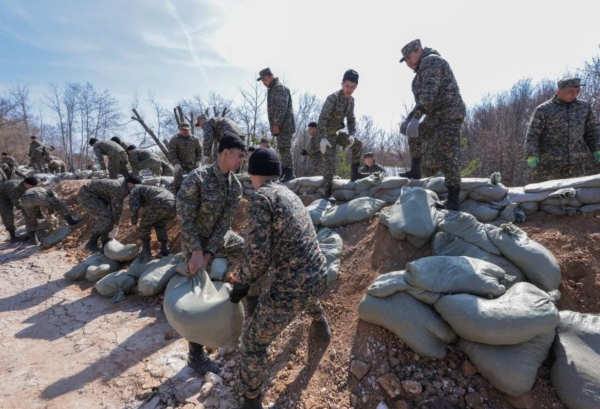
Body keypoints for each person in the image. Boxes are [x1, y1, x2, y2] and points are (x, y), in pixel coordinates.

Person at [229, 148, 331, 409]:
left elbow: (258, 257)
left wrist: (240, 281)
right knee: (305, 290)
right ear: (277, 172)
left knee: (252, 344)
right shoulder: (289, 193)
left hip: (292, 290)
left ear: (252, 174)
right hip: (319, 275)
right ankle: (320, 324)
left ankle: (251, 400)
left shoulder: (262, 198)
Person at [176, 132, 247, 377]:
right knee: (197, 291)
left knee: (249, 251)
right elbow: (184, 218)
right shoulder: (198, 178)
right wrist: (197, 252)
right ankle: (195, 357)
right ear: (224, 152)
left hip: (215, 239)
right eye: (239, 156)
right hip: (192, 239)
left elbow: (224, 224)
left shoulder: (235, 185)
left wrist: (209, 252)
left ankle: (249, 305)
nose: (241, 161)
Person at [398, 39, 466, 210]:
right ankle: (415, 169)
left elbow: (429, 93)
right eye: (405, 60)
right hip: (435, 115)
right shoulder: (421, 69)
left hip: (449, 113)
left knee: (448, 154)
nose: (408, 62)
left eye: (409, 57)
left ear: (419, 50)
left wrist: (416, 117)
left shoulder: (432, 61)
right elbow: (423, 101)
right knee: (413, 132)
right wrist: (410, 119)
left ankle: (453, 199)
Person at [525, 78, 600, 182]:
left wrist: (597, 148)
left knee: (574, 195)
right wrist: (531, 154)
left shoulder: (584, 107)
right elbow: (533, 134)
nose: (574, 95)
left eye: (577, 91)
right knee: (548, 195)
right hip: (549, 164)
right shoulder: (544, 109)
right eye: (570, 92)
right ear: (559, 91)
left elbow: (592, 130)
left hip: (576, 163)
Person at [318, 69, 366, 199]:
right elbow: (322, 119)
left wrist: (351, 134)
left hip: (337, 133)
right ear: (342, 84)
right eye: (347, 86)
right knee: (330, 161)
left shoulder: (351, 101)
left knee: (358, 145)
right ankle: (328, 193)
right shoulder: (332, 98)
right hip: (326, 135)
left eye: (352, 87)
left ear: (356, 87)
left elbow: (351, 119)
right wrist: (322, 137)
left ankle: (355, 174)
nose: (349, 89)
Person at [77, 175, 142, 252]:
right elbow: (117, 207)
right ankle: (91, 243)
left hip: (98, 196)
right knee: (106, 218)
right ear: (130, 184)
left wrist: (114, 223)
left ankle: (105, 244)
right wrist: (116, 224)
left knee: (109, 219)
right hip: (87, 196)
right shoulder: (119, 189)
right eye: (135, 186)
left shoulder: (124, 185)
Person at [257, 68, 297, 182]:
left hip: (285, 125)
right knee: (282, 148)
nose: (264, 83)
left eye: (265, 79)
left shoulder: (279, 88)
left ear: (271, 76)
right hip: (282, 125)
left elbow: (281, 107)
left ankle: (289, 172)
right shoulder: (273, 88)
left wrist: (276, 124)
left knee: (285, 148)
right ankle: (285, 170)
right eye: (262, 80)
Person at [129, 184, 175, 261]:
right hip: (174, 204)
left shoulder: (134, 190)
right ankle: (164, 250)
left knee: (144, 225)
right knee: (160, 224)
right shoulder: (149, 189)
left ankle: (146, 253)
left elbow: (134, 209)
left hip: (159, 201)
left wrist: (134, 223)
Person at [0, 176, 38, 243]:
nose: (31, 188)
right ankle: (13, 236)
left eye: (33, 187)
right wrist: (28, 209)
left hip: (13, 194)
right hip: (2, 197)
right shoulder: (14, 187)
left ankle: (33, 235)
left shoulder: (27, 186)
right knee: (7, 215)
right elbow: (17, 204)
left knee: (28, 209)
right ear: (25, 183)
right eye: (30, 187)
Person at [167, 122, 203, 193]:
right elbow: (172, 151)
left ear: (189, 129)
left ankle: (197, 194)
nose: (184, 131)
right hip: (180, 164)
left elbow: (200, 150)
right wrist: (176, 163)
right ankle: (177, 194)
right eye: (182, 130)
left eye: (186, 130)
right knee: (178, 179)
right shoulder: (175, 139)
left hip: (193, 164)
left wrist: (199, 161)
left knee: (198, 178)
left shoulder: (195, 139)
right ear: (180, 130)